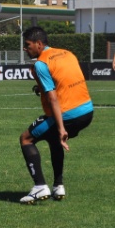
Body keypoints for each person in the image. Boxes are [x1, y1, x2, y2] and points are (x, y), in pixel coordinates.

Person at [19, 26, 94, 204]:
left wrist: (61, 128)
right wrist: (41, 89)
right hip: (88, 111)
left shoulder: (40, 64)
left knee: (26, 139)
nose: (25, 48)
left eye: (27, 44)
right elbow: (65, 80)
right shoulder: (67, 53)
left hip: (68, 113)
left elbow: (53, 98)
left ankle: (39, 187)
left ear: (38, 44)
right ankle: (58, 186)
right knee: (53, 141)